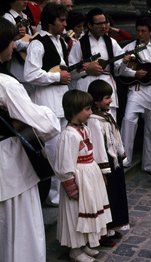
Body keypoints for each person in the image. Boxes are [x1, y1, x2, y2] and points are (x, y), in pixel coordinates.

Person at [0, 17, 60, 262]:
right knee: (20, 236)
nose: (15, 47)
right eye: (11, 42)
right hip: (10, 167)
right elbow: (46, 125)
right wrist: (44, 113)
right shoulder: (6, 84)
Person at [54, 89, 112, 262]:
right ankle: (75, 249)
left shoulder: (85, 129)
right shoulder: (68, 135)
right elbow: (64, 165)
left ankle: (84, 242)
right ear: (74, 110)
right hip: (78, 181)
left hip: (89, 178)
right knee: (75, 214)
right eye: (87, 109)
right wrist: (71, 187)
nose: (90, 112)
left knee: (89, 211)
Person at [24, 2, 71, 206]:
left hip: (61, 102)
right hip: (46, 104)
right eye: (61, 20)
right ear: (50, 22)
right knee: (51, 151)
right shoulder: (37, 43)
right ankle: (51, 196)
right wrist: (56, 78)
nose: (65, 23)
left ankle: (61, 191)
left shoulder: (60, 41)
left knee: (62, 149)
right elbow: (30, 74)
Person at [119, 16, 151, 174]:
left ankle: (149, 165)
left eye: (143, 31)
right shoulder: (129, 48)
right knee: (128, 121)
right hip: (137, 91)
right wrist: (134, 73)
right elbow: (119, 70)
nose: (140, 34)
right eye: (138, 31)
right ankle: (125, 160)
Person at [87, 80, 130, 246]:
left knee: (117, 195)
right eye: (106, 98)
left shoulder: (108, 115)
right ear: (96, 101)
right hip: (105, 163)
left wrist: (121, 155)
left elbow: (116, 137)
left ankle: (112, 228)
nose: (110, 100)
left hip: (114, 161)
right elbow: (97, 145)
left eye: (110, 97)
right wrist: (103, 170)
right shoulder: (94, 120)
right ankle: (102, 232)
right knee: (106, 197)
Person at [68, 8, 128, 120]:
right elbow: (70, 73)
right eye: (99, 24)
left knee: (110, 122)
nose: (104, 26)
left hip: (107, 88)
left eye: (105, 23)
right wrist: (87, 70)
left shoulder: (112, 43)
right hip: (87, 90)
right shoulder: (79, 44)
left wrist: (124, 63)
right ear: (90, 25)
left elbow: (117, 71)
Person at [3, 0, 35, 95]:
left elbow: (28, 38)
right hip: (16, 66)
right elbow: (11, 41)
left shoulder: (25, 17)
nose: (26, 1)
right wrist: (32, 45)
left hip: (27, 64)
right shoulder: (8, 18)